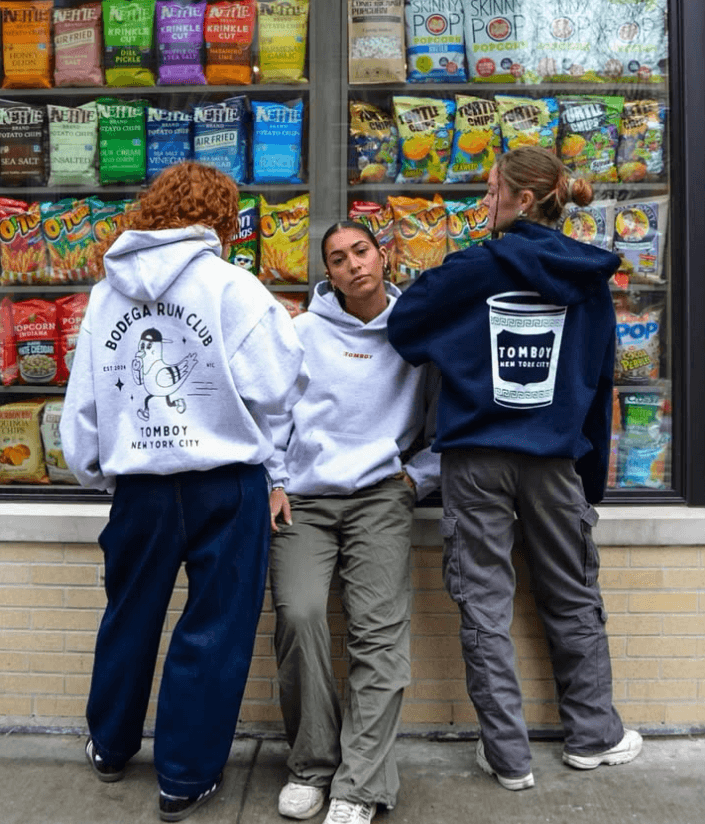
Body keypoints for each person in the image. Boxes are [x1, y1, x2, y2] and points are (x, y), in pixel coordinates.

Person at [387, 146, 642, 791]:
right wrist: (589, 479)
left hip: (475, 461)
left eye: (492, 188)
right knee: (573, 595)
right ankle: (593, 736)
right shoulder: (587, 279)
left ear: (524, 199)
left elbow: (405, 329)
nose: (484, 199)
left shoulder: (470, 270)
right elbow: (599, 381)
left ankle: (508, 758)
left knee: (484, 605)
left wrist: (463, 348)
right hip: (553, 460)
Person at [60, 161, 307, 822]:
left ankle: (110, 745)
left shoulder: (107, 294)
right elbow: (277, 383)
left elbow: (85, 401)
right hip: (223, 482)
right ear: (222, 216)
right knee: (215, 628)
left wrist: (97, 468)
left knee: (128, 613)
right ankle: (184, 775)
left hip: (139, 486)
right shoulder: (232, 287)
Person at [267, 221, 440, 824]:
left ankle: (360, 785)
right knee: (299, 613)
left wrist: (421, 475)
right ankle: (312, 766)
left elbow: (458, 410)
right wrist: (274, 479)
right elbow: (271, 413)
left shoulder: (415, 331)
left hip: (381, 497)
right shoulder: (301, 332)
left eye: (361, 251)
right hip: (305, 499)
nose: (353, 265)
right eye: (338, 259)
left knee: (378, 634)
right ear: (329, 274)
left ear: (383, 255)